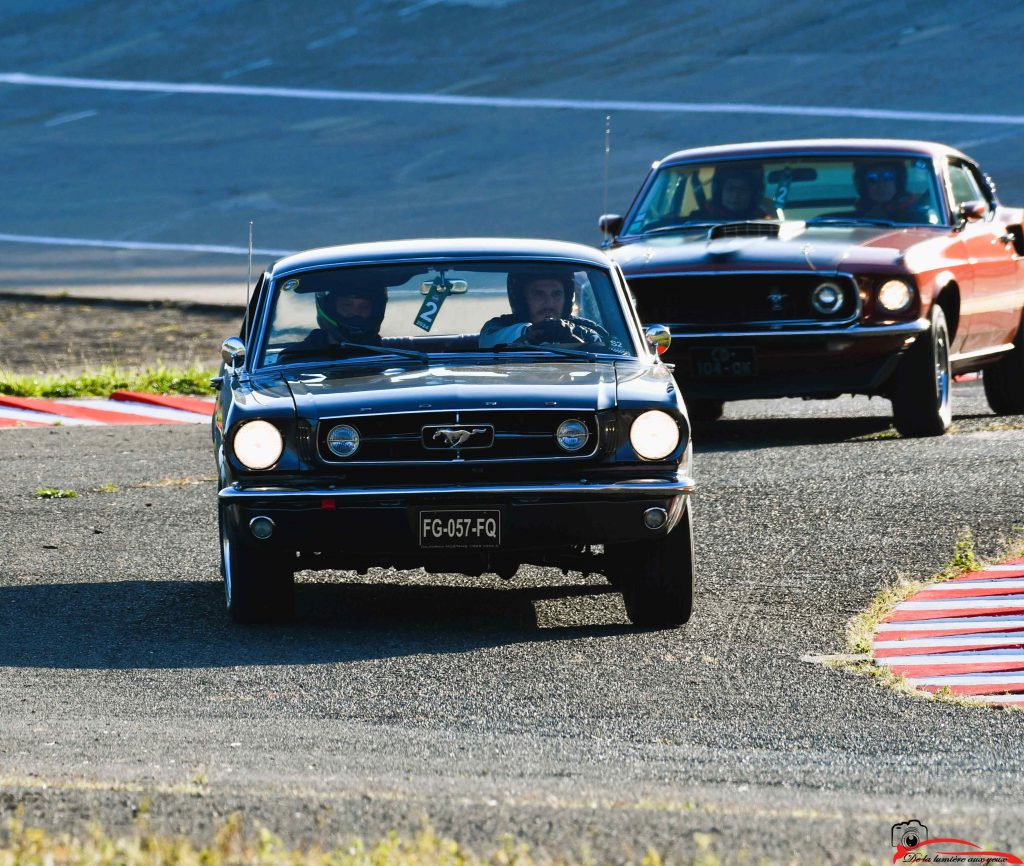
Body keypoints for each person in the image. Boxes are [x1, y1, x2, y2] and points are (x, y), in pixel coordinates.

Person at [479, 271, 608, 349]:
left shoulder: (585, 330)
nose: (549, 303)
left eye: (556, 294)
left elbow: (611, 352)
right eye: (538, 294)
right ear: (522, 299)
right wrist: (530, 332)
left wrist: (572, 338)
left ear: (567, 298)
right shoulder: (498, 327)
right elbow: (488, 341)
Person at [302, 275, 388, 347]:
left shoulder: (392, 356)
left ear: (375, 311)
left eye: (365, 306)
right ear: (330, 307)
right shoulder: (297, 358)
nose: (356, 312)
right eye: (347, 305)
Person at [852, 161, 927, 222]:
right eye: (872, 178)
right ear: (863, 185)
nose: (881, 185)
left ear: (898, 181)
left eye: (888, 177)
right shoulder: (854, 219)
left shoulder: (915, 213)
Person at [691, 164, 768, 221]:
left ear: (752, 194)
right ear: (719, 192)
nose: (735, 195)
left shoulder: (763, 220)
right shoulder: (698, 219)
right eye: (730, 189)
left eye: (742, 190)